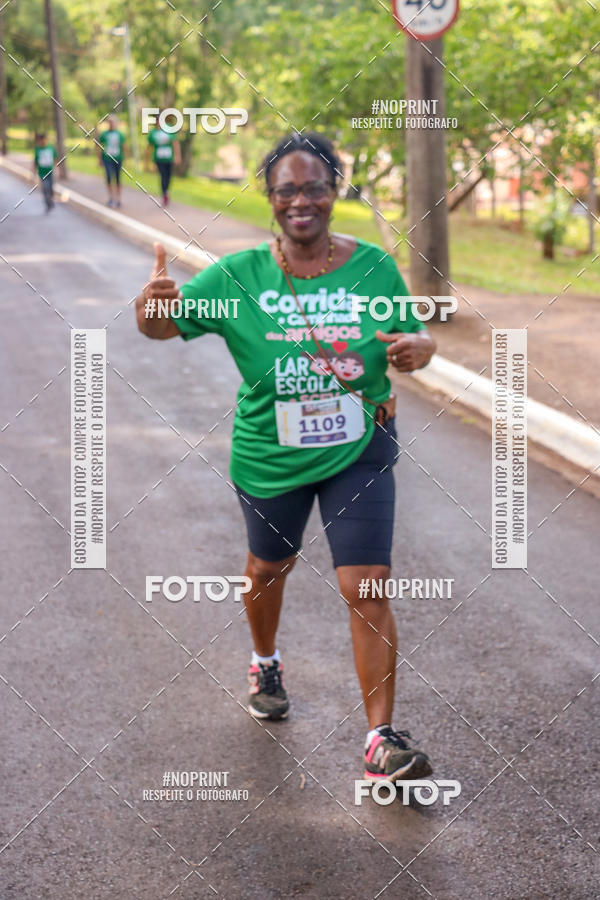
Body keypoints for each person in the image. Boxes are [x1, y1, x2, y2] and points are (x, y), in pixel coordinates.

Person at [135, 132, 437, 783]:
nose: (302, 200)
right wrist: (149, 308)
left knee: (365, 583)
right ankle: (265, 661)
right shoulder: (238, 276)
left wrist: (422, 349)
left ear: (334, 192)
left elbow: (412, 335)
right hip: (270, 454)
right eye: (287, 190)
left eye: (314, 188)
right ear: (270, 198)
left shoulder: (373, 267)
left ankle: (380, 740)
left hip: (359, 445)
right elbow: (164, 326)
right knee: (269, 569)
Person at [146, 117, 181, 206]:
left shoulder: (169, 129)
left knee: (168, 176)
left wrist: (177, 156)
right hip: (159, 158)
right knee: (163, 176)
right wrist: (147, 161)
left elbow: (175, 143)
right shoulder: (153, 133)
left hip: (169, 158)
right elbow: (149, 147)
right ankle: (164, 193)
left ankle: (167, 191)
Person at [98, 115, 125, 207]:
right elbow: (99, 146)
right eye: (109, 122)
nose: (111, 124)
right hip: (107, 158)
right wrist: (99, 159)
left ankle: (118, 199)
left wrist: (125, 158)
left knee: (118, 179)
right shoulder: (104, 134)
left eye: (112, 122)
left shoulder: (119, 134)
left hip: (118, 158)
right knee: (109, 177)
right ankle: (111, 198)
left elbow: (124, 146)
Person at [33, 133, 56, 212]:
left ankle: (51, 200)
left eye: (44, 140)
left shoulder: (50, 148)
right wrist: (33, 172)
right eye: (41, 140)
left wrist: (57, 169)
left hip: (50, 172)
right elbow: (35, 161)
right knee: (45, 188)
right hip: (42, 173)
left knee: (50, 188)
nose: (43, 142)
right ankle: (48, 203)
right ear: (40, 141)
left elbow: (55, 158)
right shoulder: (38, 150)